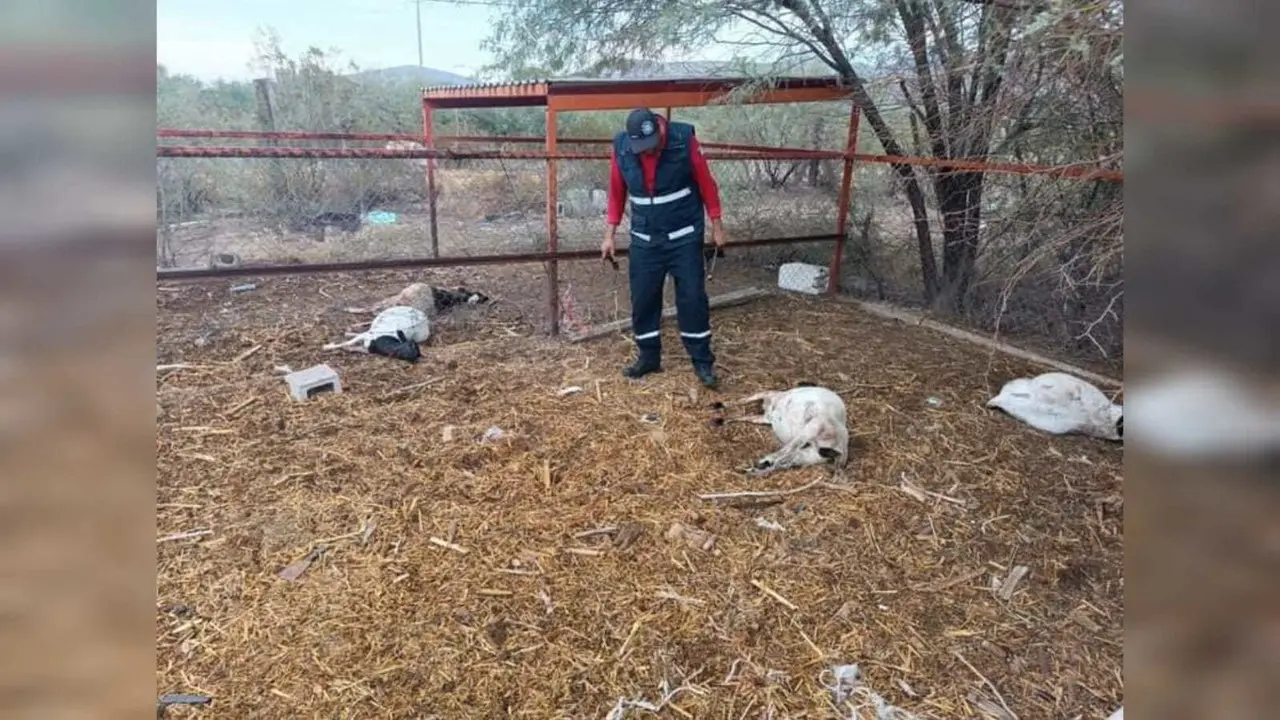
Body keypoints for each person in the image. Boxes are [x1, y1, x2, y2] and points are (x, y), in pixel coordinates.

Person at [601, 107, 728, 388]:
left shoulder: (683, 139)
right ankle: (648, 357)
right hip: (645, 239)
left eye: (650, 145)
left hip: (683, 236)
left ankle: (702, 362)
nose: (645, 152)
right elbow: (616, 191)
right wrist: (609, 234)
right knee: (643, 299)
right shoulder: (622, 147)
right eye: (640, 147)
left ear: (660, 130)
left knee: (692, 299)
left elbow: (706, 184)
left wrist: (717, 225)